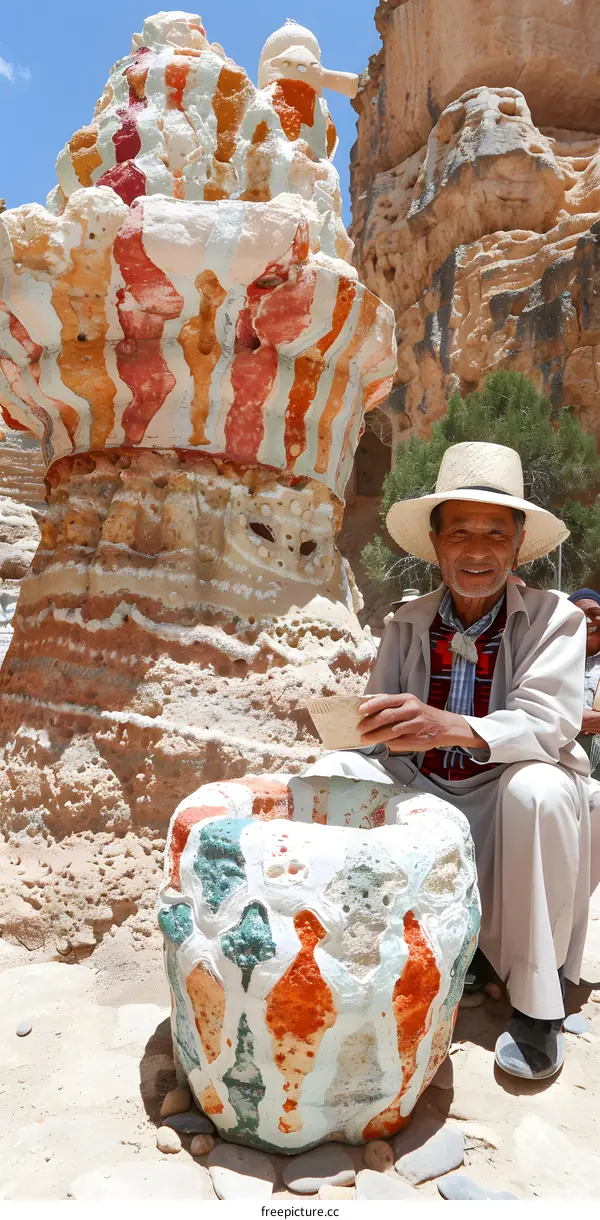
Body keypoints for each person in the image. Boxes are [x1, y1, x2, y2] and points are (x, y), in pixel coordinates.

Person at [305, 441, 597, 1081]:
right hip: (426, 792)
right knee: (338, 778)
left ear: (518, 545)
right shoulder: (407, 622)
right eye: (460, 531)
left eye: (496, 532)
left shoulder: (555, 620)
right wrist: (372, 727)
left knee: (539, 791)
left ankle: (537, 1005)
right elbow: (382, 725)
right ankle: (370, 960)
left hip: (507, 798)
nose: (478, 549)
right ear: (435, 544)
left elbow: (549, 725)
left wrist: (451, 727)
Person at [568, 588, 600, 780]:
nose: (587, 621)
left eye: (594, 614)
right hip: (562, 756)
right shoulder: (550, 659)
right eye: (578, 615)